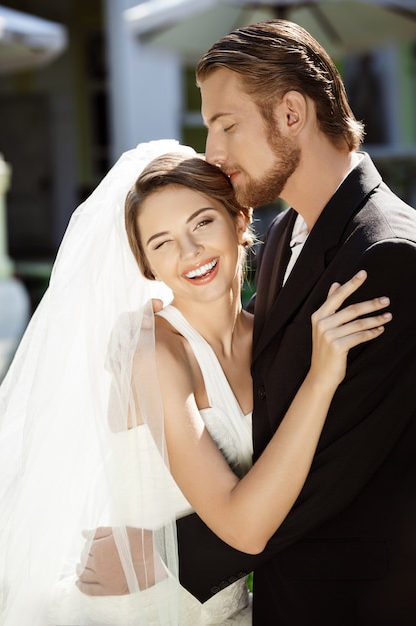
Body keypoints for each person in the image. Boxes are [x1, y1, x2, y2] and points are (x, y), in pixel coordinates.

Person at [79, 18, 416, 626]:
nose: (212, 152)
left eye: (225, 125)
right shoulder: (287, 231)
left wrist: (163, 553)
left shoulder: (388, 256)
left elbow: (331, 471)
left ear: (291, 114)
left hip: (352, 601)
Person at [0, 140, 389, 626]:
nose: (189, 252)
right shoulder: (154, 354)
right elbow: (242, 527)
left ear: (240, 220)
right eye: (161, 243)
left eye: (202, 222)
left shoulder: (274, 338)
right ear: (148, 267)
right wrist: (321, 380)